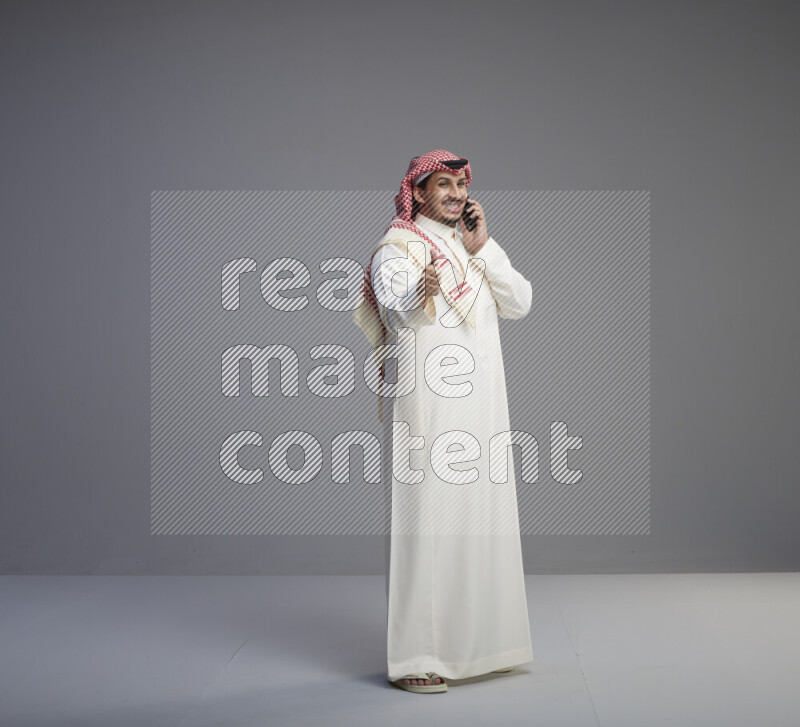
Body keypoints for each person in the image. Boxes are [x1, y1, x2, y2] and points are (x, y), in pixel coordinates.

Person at [353, 149, 534, 693]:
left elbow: (521, 302)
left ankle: (483, 646)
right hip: (430, 411)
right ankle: (416, 659)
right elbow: (393, 303)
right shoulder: (399, 246)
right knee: (427, 526)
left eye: (461, 184)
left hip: (483, 410)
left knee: (483, 520)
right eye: (443, 185)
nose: (456, 194)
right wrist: (418, 291)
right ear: (419, 192)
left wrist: (485, 248)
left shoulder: (471, 248)